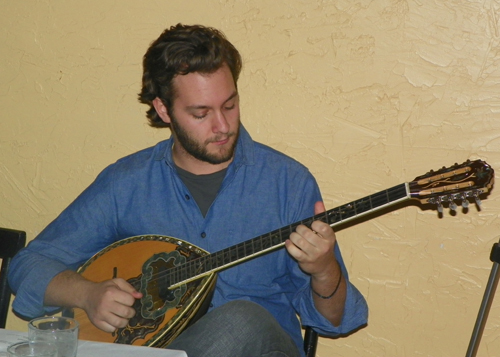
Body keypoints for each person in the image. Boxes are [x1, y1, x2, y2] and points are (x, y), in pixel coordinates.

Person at [8, 24, 368, 356]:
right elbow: (27, 265)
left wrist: (323, 270)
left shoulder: (287, 183)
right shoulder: (128, 183)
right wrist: (88, 294)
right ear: (164, 110)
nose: (223, 125)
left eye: (230, 105)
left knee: (241, 319)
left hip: (261, 346)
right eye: (201, 113)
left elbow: (333, 320)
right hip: (159, 346)